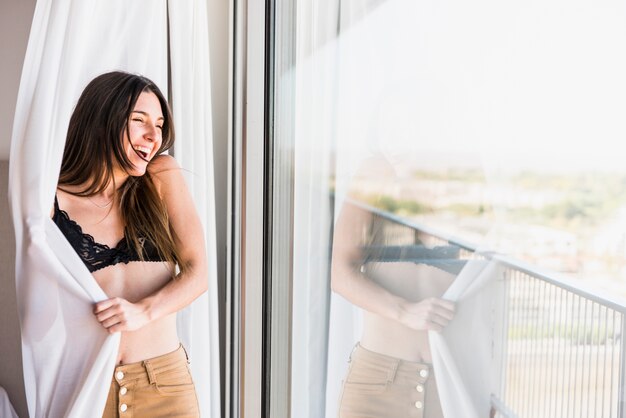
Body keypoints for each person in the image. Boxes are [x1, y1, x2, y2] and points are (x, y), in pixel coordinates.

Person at [51, 71, 208, 417]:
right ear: (101, 119)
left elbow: (198, 273)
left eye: (160, 125)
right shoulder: (50, 201)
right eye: (139, 121)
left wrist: (143, 311)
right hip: (89, 387)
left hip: (165, 386)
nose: (154, 137)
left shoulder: (161, 177)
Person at [331, 156, 457, 418]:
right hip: (377, 386)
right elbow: (340, 275)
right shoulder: (378, 170)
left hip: (449, 387)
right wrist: (404, 311)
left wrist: (484, 384)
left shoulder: (465, 175)